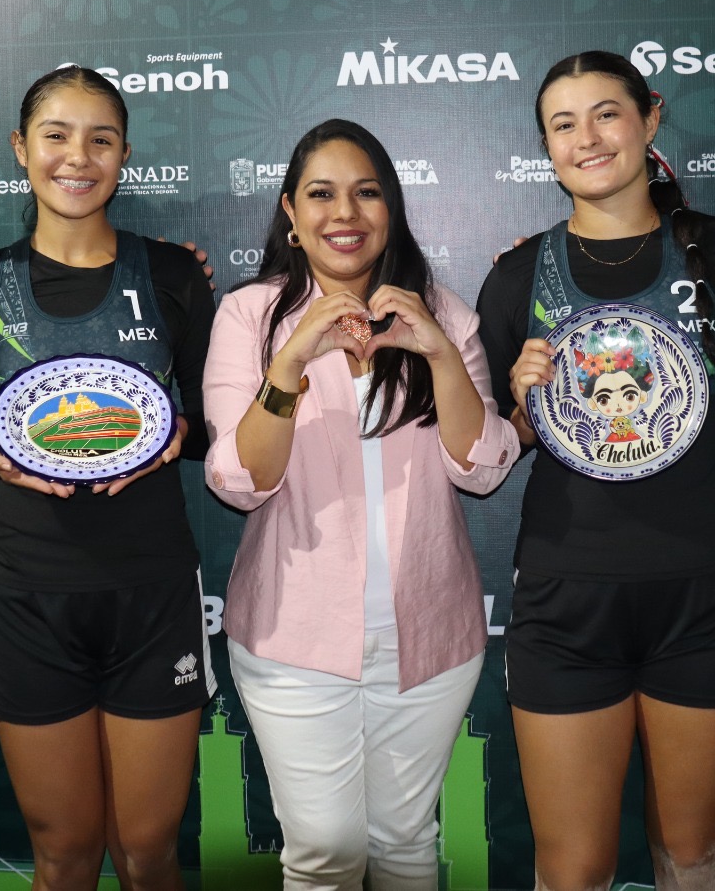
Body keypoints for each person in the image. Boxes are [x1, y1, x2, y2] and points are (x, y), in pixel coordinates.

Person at [203, 119, 517, 890]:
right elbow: (240, 480)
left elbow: (481, 466)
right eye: (321, 194)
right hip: (293, 641)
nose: (345, 213)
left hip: (430, 635)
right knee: (325, 853)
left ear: (392, 208)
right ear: (290, 212)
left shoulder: (443, 311)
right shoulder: (250, 315)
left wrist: (438, 349)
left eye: (366, 192)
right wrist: (291, 360)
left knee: (408, 842)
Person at [477, 52, 715, 891]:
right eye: (563, 124)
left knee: (693, 860)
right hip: (570, 602)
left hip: (703, 593)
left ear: (651, 118)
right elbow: (493, 446)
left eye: (606, 113)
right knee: (573, 869)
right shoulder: (518, 273)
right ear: (545, 147)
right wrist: (526, 408)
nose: (587, 138)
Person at [0, 66, 215, 891]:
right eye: (56, 135)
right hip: (30, 601)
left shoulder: (173, 275)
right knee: (62, 854)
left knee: (148, 849)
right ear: (22, 149)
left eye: (100, 139)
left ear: (125, 155)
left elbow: (208, 421)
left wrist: (180, 433)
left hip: (153, 592)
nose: (77, 156)